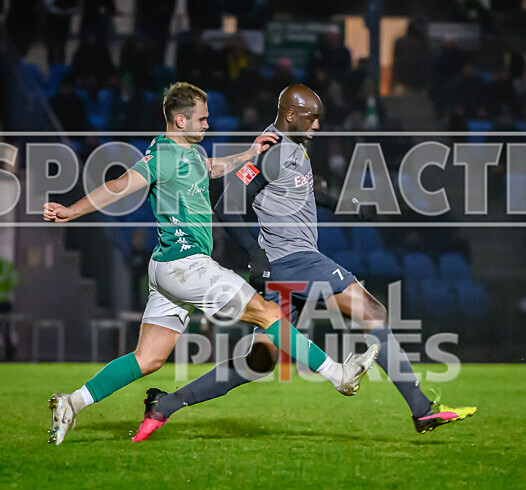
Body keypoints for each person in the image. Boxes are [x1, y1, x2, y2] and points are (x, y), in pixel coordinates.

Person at [43, 82, 377, 445]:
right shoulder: (162, 157)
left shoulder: (188, 153)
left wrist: (249, 153)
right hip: (188, 266)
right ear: (180, 119)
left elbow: (214, 168)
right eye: (201, 119)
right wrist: (70, 210)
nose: (207, 124)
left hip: (166, 268)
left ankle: (71, 403)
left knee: (148, 358)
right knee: (268, 313)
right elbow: (120, 186)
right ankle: (338, 375)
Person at [146, 84, 477, 435]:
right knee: (373, 312)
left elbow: (301, 187)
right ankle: (421, 409)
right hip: (295, 259)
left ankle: (164, 405)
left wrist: (340, 205)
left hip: (288, 266)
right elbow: (228, 204)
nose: (317, 125)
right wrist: (254, 253)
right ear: (290, 114)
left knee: (258, 361)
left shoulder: (293, 148)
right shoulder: (270, 149)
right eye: (312, 118)